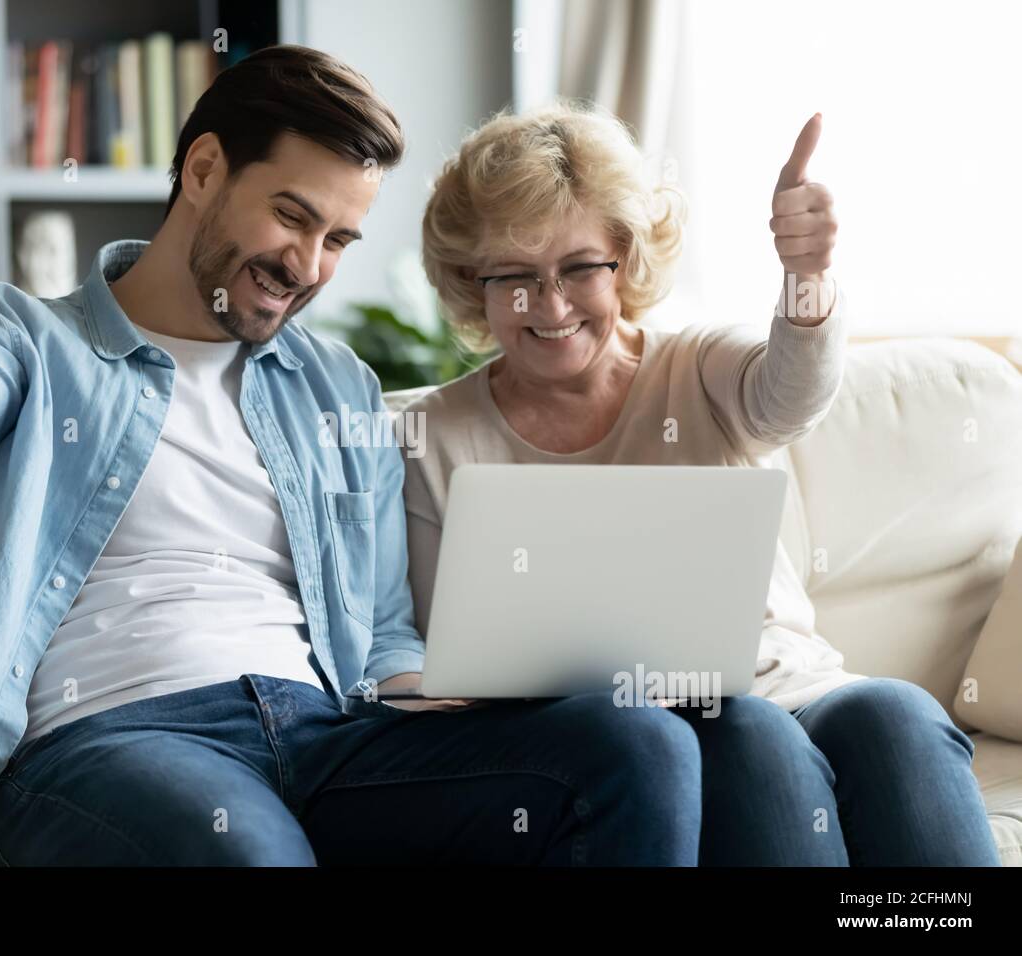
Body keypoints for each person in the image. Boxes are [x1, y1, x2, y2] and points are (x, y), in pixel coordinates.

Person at [0, 47, 705, 866]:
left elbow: (382, 633)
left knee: (638, 745)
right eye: (292, 217)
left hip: (326, 736)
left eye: (337, 240)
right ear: (205, 170)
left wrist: (482, 702)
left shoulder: (336, 387)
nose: (308, 266)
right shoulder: (27, 338)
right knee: (250, 855)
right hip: (110, 739)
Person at [406, 100, 1001, 865]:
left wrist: (807, 276)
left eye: (580, 267)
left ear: (624, 256)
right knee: (745, 735)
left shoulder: (697, 364)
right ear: (471, 281)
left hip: (790, 684)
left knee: (896, 712)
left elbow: (790, 396)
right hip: (626, 735)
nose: (550, 305)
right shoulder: (435, 434)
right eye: (514, 276)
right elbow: (450, 651)